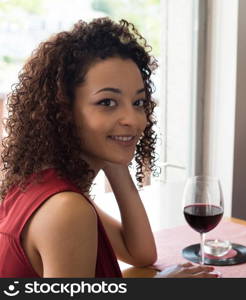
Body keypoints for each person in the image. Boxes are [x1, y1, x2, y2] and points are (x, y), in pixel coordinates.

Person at [0, 18, 217, 278]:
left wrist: (115, 160)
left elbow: (141, 253)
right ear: (63, 110)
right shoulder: (66, 209)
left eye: (138, 102)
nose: (134, 119)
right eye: (107, 102)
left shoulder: (41, 183)